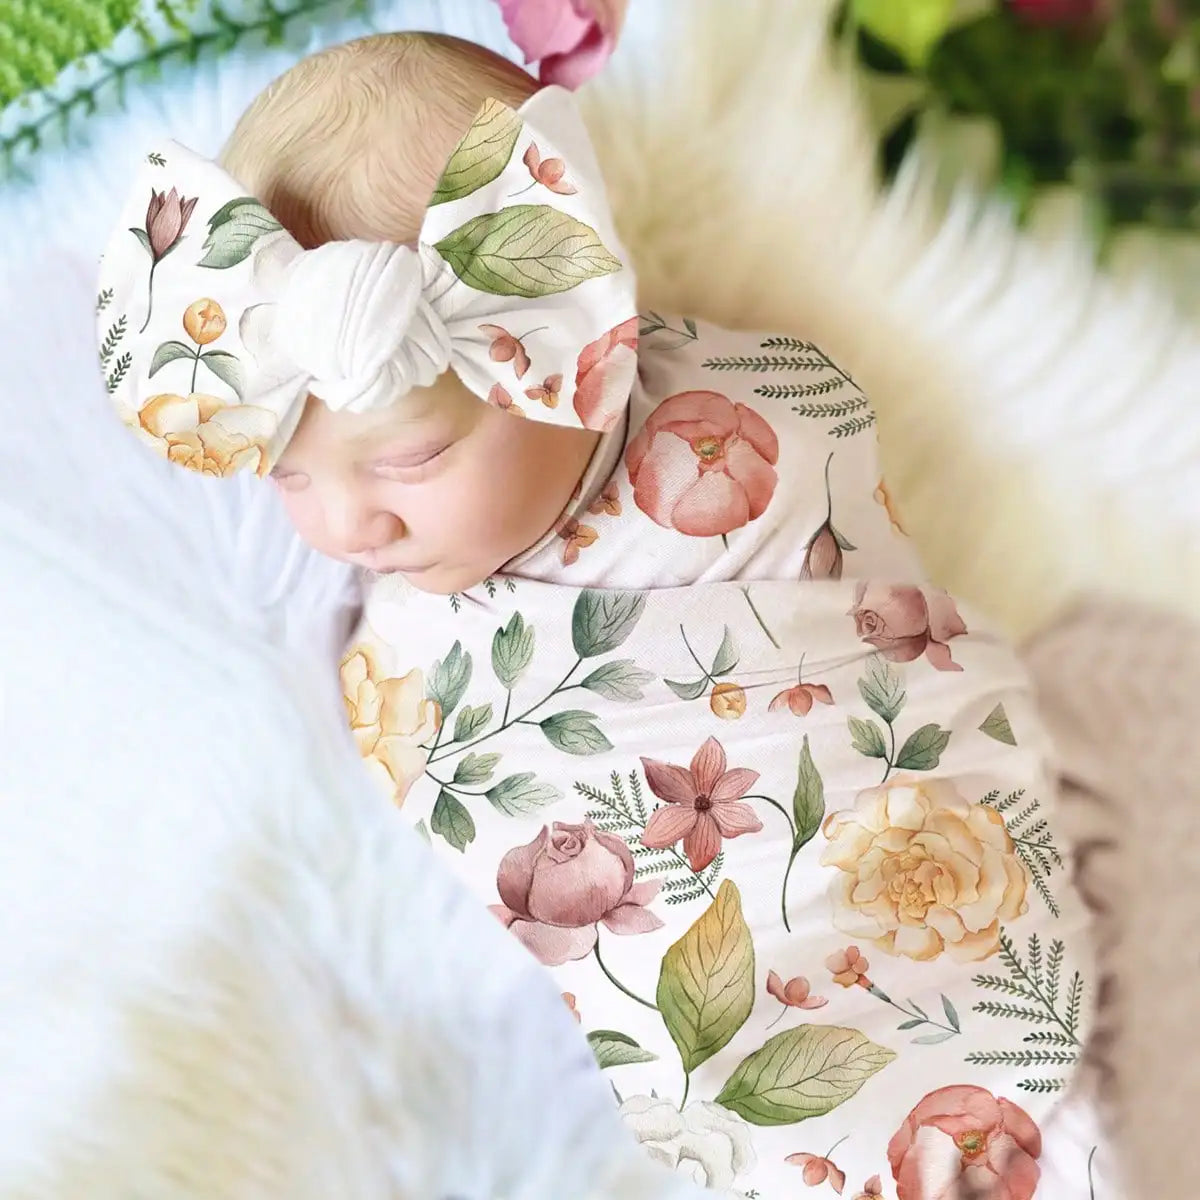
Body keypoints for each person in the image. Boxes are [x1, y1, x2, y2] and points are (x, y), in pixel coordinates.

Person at [96, 31, 1101, 1198]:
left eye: (411, 459)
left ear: (576, 347)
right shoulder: (363, 583)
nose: (347, 525)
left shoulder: (767, 416)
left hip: (887, 903)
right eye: (291, 476)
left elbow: (883, 649)